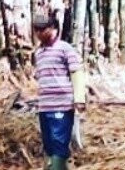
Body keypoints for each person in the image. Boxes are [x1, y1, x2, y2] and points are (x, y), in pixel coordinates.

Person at [32, 12, 87, 170]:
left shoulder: (65, 48)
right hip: (45, 106)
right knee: (49, 145)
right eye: (36, 29)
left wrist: (79, 99)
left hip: (62, 105)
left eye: (43, 29)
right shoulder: (38, 53)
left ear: (53, 28)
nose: (39, 33)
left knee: (59, 144)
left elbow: (76, 73)